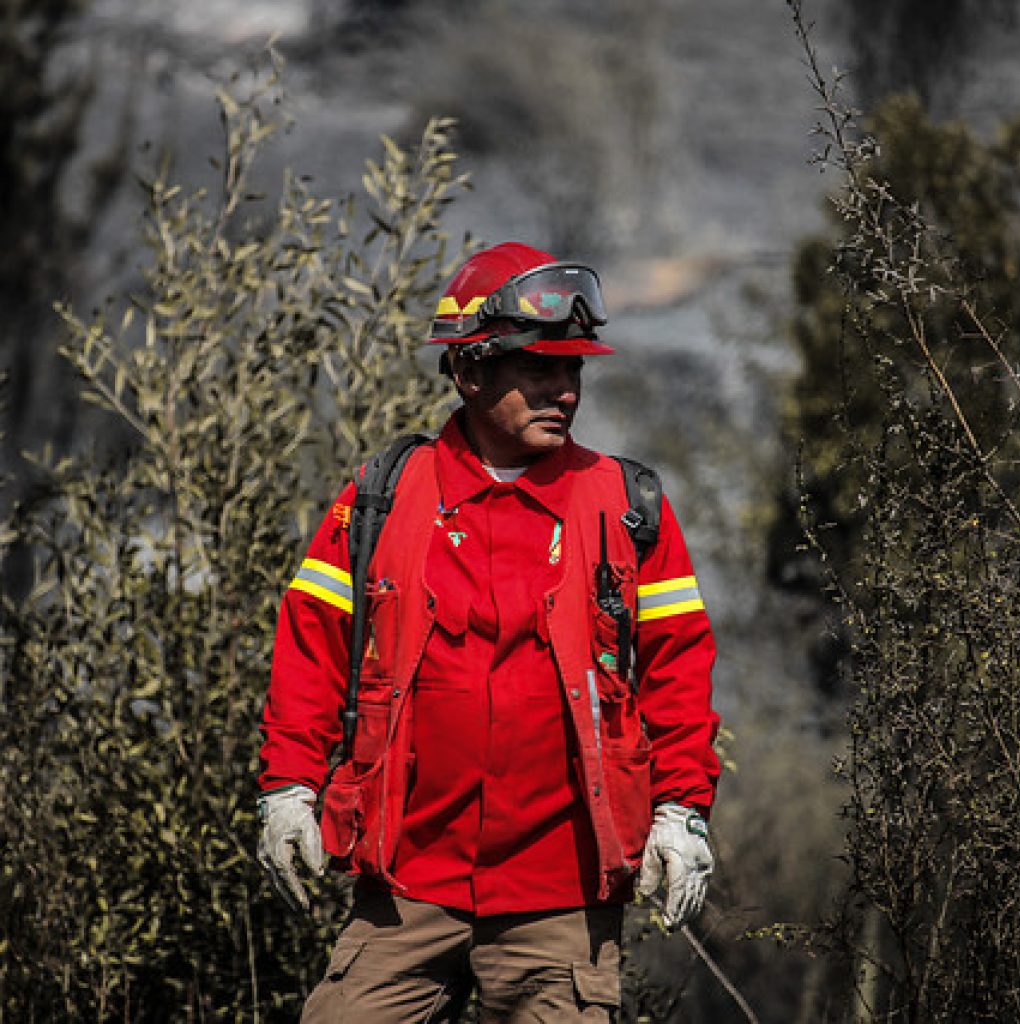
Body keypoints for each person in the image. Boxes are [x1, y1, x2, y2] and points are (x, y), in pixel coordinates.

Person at [257, 242, 720, 1022]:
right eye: (538, 370)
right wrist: (288, 789)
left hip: (562, 900)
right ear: (469, 372)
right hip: (405, 886)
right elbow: (312, 649)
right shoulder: (380, 499)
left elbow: (678, 671)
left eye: (573, 371)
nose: (563, 391)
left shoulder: (628, 506)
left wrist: (683, 811)